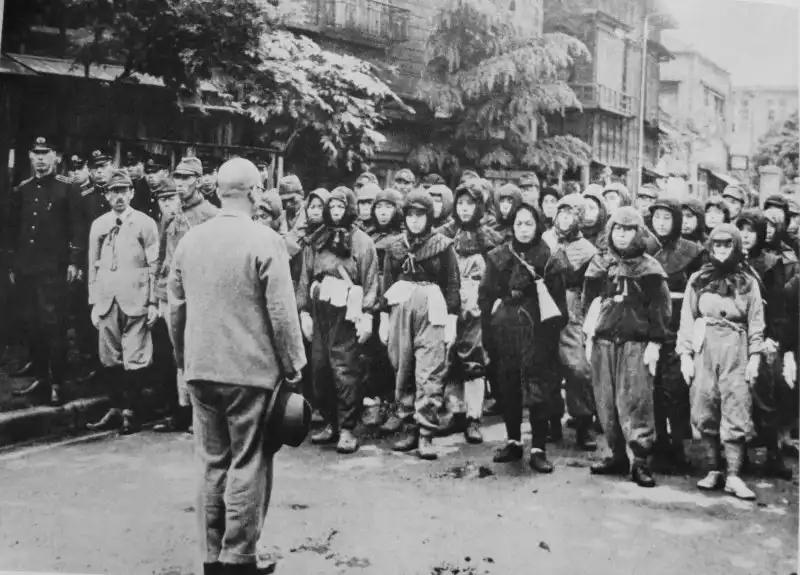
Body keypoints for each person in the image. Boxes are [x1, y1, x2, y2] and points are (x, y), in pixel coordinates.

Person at [168, 157, 306, 575]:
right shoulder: (266, 240)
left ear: (217, 190)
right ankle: (239, 558)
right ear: (254, 192)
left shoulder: (190, 241)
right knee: (248, 462)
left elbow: (175, 309)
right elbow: (282, 314)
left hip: (201, 369)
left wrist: (183, 361)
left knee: (211, 462)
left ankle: (211, 557)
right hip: (251, 374)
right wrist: (294, 366)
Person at [583, 207, 671, 488]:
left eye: (628, 230)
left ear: (638, 233)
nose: (621, 235)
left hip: (635, 344)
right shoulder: (599, 265)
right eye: (617, 229)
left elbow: (660, 309)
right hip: (604, 342)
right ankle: (616, 455)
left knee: (635, 402)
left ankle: (640, 460)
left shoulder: (650, 269)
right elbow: (588, 304)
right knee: (606, 402)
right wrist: (589, 337)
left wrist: (655, 343)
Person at [677, 224, 764, 500]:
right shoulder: (698, 279)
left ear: (736, 247)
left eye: (728, 245)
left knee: (736, 404)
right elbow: (687, 319)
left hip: (736, 348)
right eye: (718, 244)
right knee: (705, 404)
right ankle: (714, 468)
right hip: (705, 347)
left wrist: (755, 357)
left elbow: (756, 322)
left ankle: (734, 475)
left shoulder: (748, 281)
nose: (723, 250)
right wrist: (685, 355)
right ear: (710, 247)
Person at [480, 202, 566, 470]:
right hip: (505, 330)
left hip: (538, 331)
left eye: (529, 223)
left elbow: (559, 303)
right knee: (508, 386)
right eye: (519, 223)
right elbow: (486, 296)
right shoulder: (499, 256)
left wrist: (549, 335)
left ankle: (538, 448)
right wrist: (490, 328)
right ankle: (513, 441)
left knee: (538, 388)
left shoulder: (550, 258)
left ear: (538, 225)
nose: (524, 229)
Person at [296, 186, 379, 454]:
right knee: (319, 369)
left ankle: (347, 428)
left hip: (346, 313)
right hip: (320, 310)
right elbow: (305, 277)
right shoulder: (316, 240)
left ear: (349, 209)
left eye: (340, 207)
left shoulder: (362, 242)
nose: (335, 212)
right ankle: (330, 422)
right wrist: (304, 312)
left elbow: (370, 279)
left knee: (345, 370)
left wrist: (367, 314)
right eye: (331, 207)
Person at [379, 189, 461, 459]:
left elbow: (452, 284)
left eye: (420, 215)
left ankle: (426, 432)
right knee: (402, 367)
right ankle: (410, 428)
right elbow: (387, 283)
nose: (414, 220)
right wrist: (383, 318)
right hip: (401, 309)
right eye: (410, 214)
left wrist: (451, 320)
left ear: (430, 217)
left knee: (429, 370)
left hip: (433, 310)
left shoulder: (443, 246)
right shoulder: (395, 248)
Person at [6, 137, 81, 405]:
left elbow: (76, 228)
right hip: (27, 269)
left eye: (45, 152)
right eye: (36, 153)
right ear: (30, 156)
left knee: (53, 325)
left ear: (56, 157)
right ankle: (40, 376)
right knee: (31, 323)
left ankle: (57, 381)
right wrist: (13, 264)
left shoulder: (67, 188)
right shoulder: (23, 189)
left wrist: (74, 261)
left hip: (53, 270)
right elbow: (14, 230)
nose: (40, 158)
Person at [85, 170, 160, 433]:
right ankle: (115, 408)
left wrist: (153, 302)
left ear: (132, 193)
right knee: (109, 357)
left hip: (136, 297)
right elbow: (92, 266)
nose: (119, 197)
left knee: (136, 356)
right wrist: (94, 302)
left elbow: (154, 264)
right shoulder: (99, 225)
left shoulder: (145, 223)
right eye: (113, 192)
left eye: (124, 191)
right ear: (106, 195)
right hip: (107, 299)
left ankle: (132, 411)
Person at [438, 179, 503, 443]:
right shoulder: (443, 234)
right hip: (449, 299)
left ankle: (473, 417)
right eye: (461, 203)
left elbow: (499, 273)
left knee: (474, 356)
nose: (464, 209)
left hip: (477, 303)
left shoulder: (490, 238)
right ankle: (455, 412)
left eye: (470, 204)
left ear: (480, 207)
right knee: (449, 355)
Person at [647, 196, 705, 471]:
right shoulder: (646, 249)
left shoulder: (693, 252)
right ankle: (659, 443)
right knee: (653, 387)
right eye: (656, 217)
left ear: (677, 221)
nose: (661, 223)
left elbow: (699, 293)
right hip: (653, 326)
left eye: (667, 218)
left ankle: (678, 446)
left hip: (680, 326)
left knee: (676, 388)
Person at [735, 209, 793, 480]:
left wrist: (773, 338)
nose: (746, 236)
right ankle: (739, 456)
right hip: (735, 335)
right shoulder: (729, 257)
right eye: (741, 230)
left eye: (751, 231)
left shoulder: (771, 263)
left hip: (763, 335)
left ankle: (773, 454)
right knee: (735, 395)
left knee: (764, 395)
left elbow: (779, 305)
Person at [547, 194, 599, 451]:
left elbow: (592, 287)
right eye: (562, 213)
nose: (565, 219)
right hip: (545, 307)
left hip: (572, 310)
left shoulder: (587, 250)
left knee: (578, 369)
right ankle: (551, 422)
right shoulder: (544, 240)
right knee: (547, 368)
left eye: (571, 214)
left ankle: (583, 422)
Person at [126, 151, 160, 222]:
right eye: (128, 166)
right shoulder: (134, 187)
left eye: (134, 164)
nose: (130, 169)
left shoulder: (152, 186)